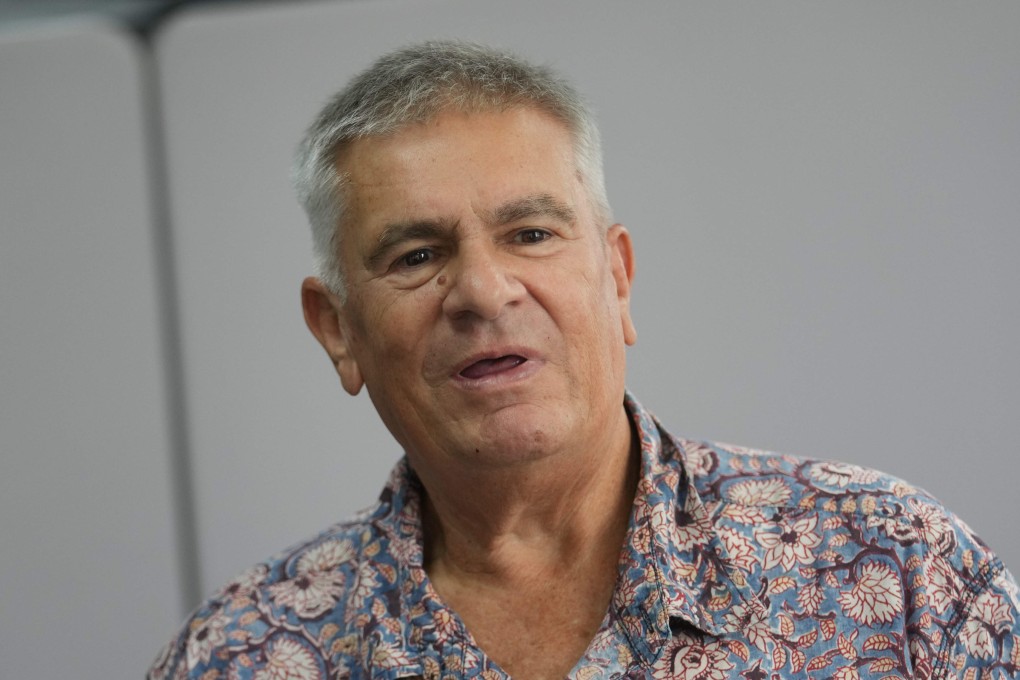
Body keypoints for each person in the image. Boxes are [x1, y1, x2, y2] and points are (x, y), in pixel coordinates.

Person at [148, 40, 1019, 680]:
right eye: (416, 255)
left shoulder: (897, 566)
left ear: (619, 276)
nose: (484, 292)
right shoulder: (235, 656)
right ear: (335, 328)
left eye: (531, 234)